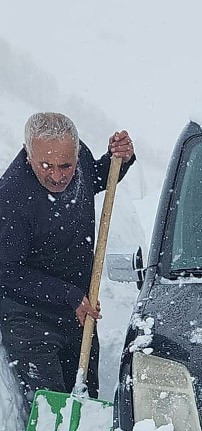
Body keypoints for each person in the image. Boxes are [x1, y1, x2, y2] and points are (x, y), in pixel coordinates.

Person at [0, 112, 136, 405]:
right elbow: (6, 271)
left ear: (76, 153)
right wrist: (67, 294)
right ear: (28, 154)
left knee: (86, 397)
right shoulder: (11, 198)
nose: (58, 175)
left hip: (76, 308)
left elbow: (98, 178)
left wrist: (118, 161)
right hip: (28, 316)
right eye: (45, 165)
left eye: (66, 165)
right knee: (50, 404)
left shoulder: (79, 157)